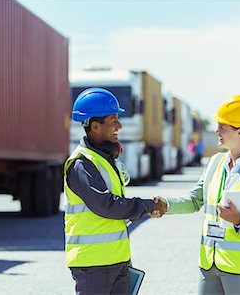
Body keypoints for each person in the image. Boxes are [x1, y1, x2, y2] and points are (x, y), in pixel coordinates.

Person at [153, 94, 240, 295]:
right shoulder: (214, 163)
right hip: (208, 263)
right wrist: (166, 205)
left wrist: (239, 220)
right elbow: (195, 201)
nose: (216, 130)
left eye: (222, 125)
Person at [64, 87, 167, 295]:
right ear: (95, 126)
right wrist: (147, 206)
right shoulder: (82, 164)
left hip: (116, 260)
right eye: (113, 121)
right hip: (94, 264)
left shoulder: (103, 159)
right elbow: (107, 206)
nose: (119, 125)